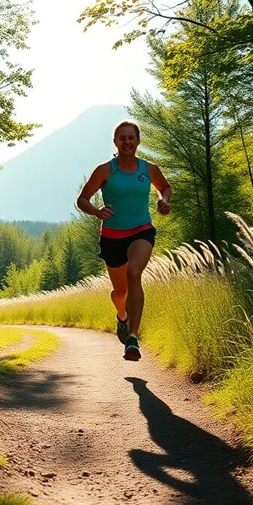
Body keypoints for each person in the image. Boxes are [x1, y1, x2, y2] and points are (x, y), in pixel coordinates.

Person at [76, 120, 171, 361]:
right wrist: (97, 211)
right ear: (115, 142)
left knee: (134, 274)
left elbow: (165, 187)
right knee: (120, 293)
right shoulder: (105, 170)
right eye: (122, 138)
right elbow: (82, 199)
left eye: (131, 137)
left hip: (141, 230)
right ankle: (122, 316)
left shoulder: (148, 169)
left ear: (138, 141)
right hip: (112, 237)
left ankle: (133, 338)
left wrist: (164, 201)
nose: (127, 142)